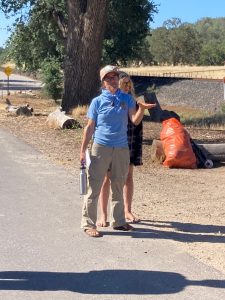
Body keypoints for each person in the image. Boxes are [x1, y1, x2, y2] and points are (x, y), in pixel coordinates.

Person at [80, 65, 156, 237]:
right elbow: (90, 127)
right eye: (108, 78)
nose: (112, 80)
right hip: (100, 146)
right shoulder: (97, 102)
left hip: (121, 147)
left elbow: (134, 121)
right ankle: (88, 223)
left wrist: (142, 109)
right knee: (95, 185)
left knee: (118, 184)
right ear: (103, 83)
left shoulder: (127, 99)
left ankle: (119, 222)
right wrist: (82, 150)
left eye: (114, 77)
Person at [97, 73, 143, 227]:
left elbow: (137, 126)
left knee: (128, 177)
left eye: (129, 84)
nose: (127, 86)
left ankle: (127, 210)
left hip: (130, 143)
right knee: (106, 179)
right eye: (124, 83)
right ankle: (103, 214)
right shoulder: (111, 101)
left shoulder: (134, 103)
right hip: (111, 144)